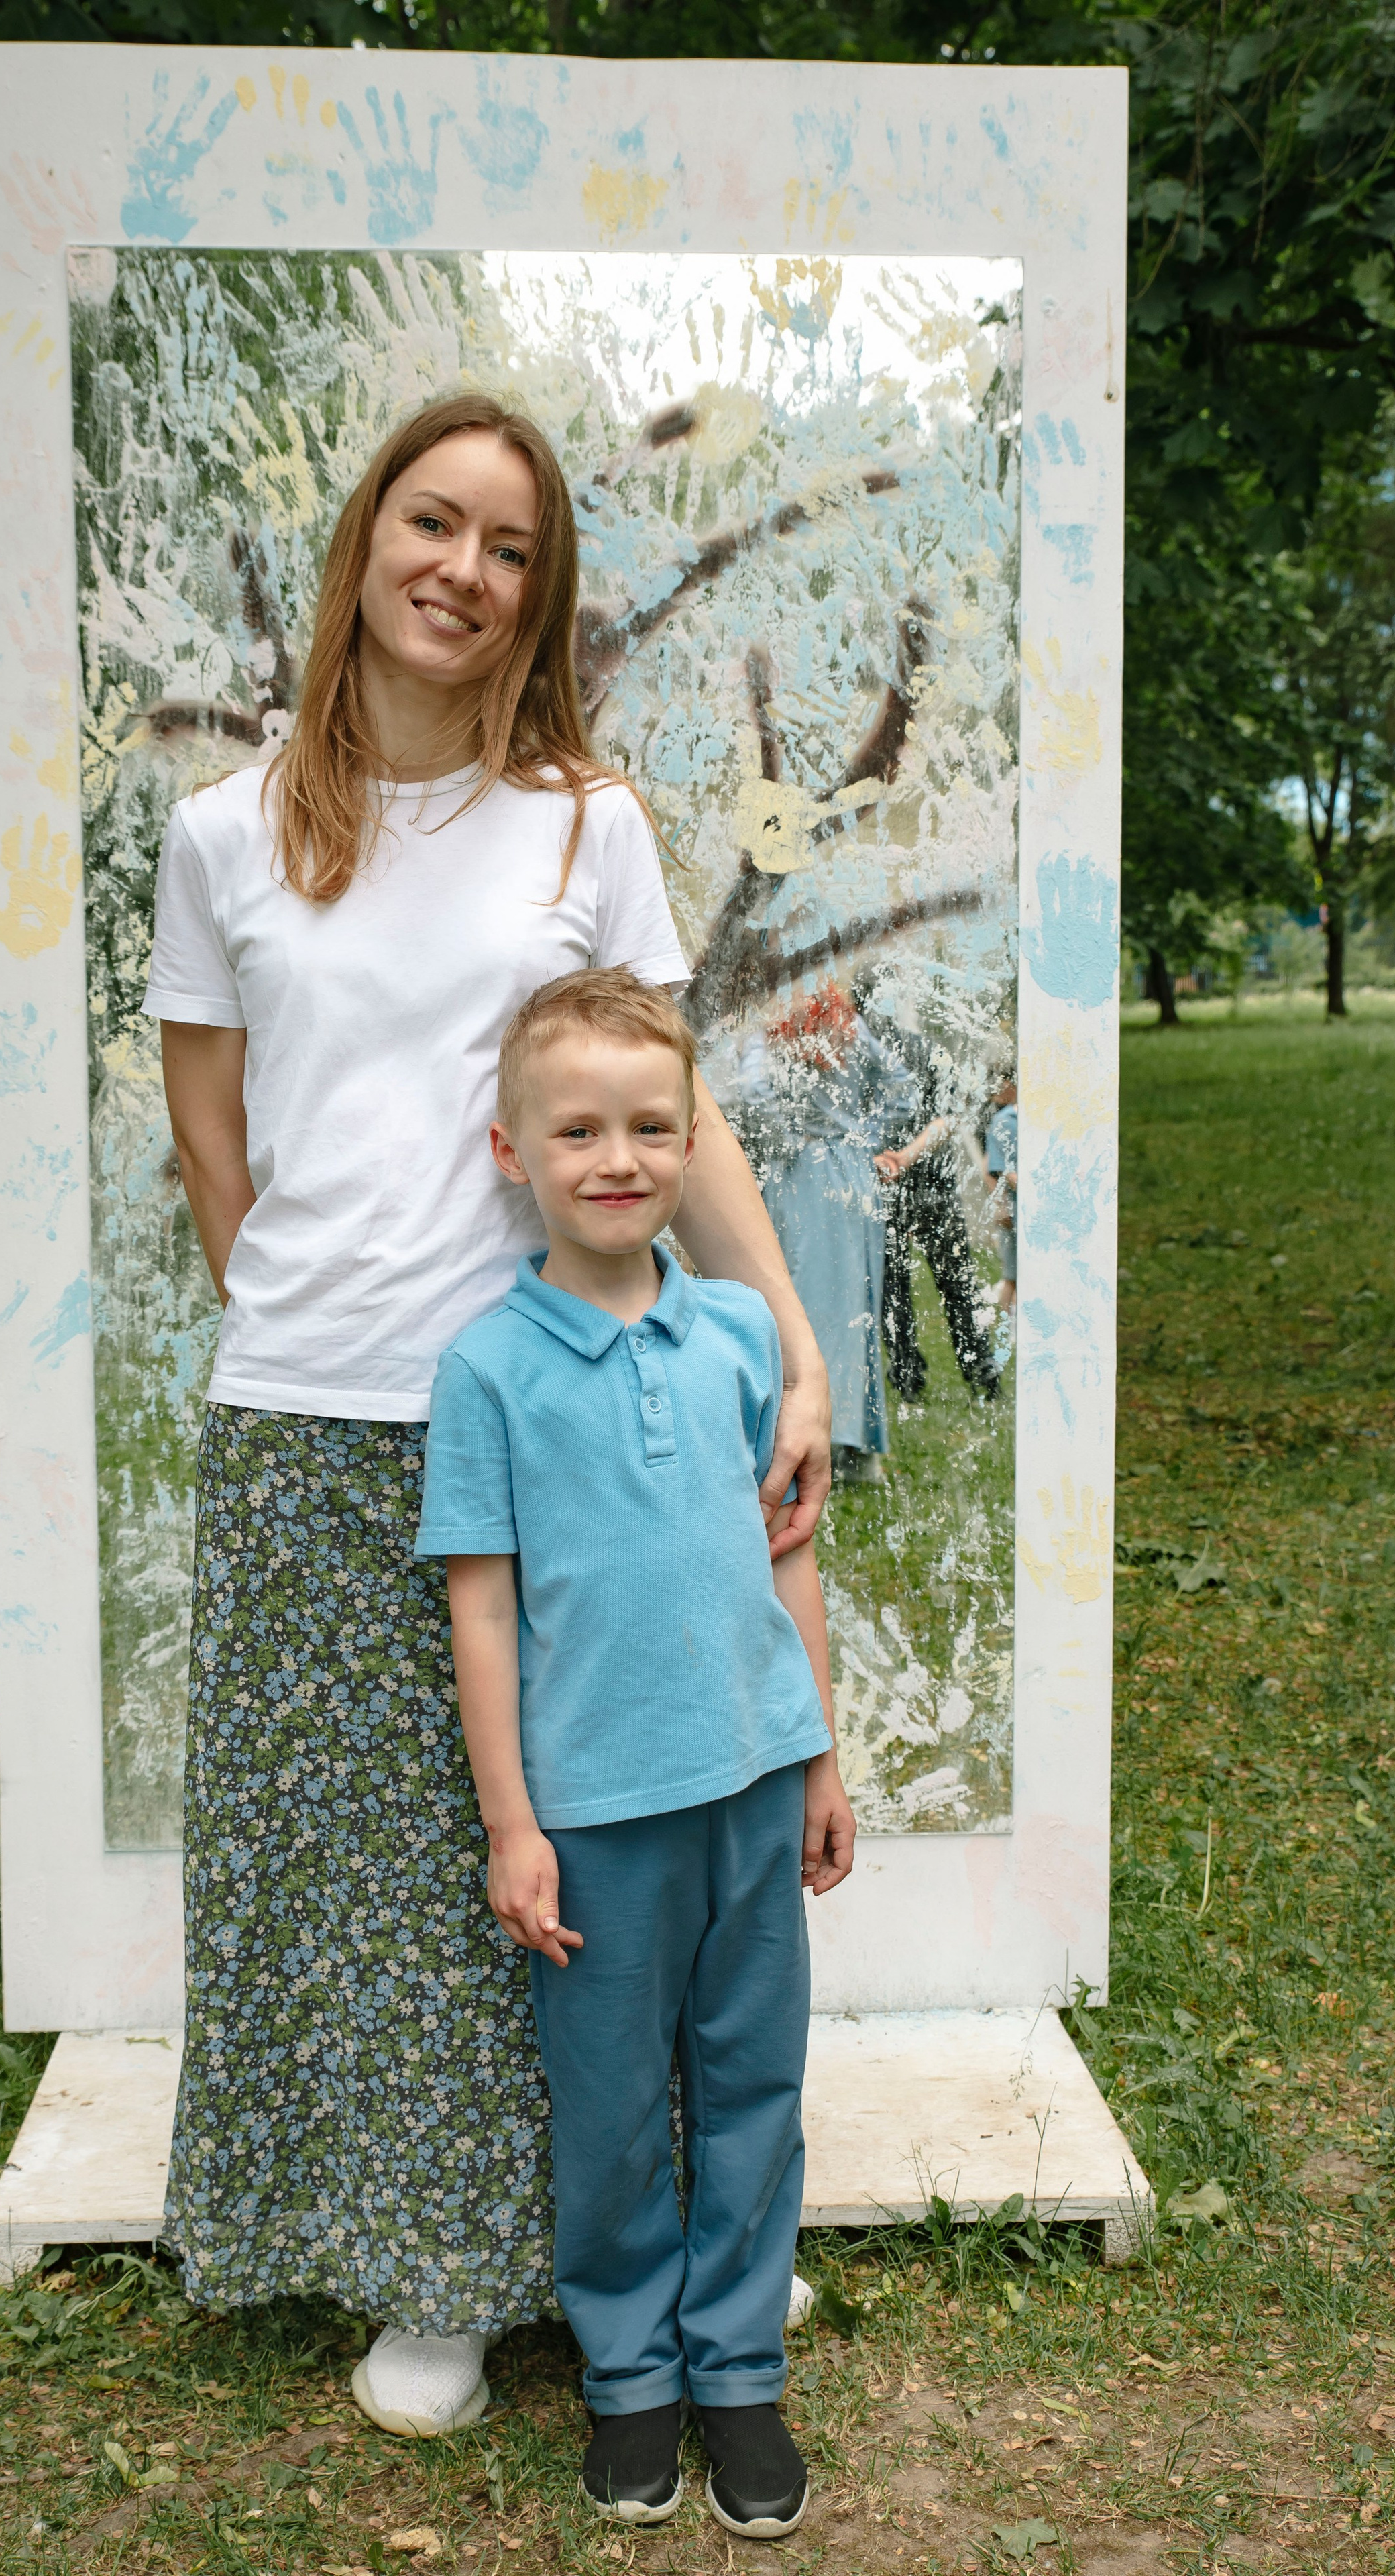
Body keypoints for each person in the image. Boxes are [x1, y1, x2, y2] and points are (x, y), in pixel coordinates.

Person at [145, 392, 833, 2440]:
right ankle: (431, 2259)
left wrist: (782, 1342)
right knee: (382, 1865)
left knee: (622, 1840)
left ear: (538, 600)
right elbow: (210, 1137)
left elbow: (667, 1102)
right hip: (317, 1417)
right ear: (366, 541)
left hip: (576, 1403)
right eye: (431, 522)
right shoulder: (221, 833)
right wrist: (315, 1324)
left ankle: (689, 2236)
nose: (461, 566)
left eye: (508, 545)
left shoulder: (582, 826)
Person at [417, 969, 855, 2538]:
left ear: (690, 1142)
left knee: (749, 2084)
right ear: (508, 1149)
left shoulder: (742, 1336)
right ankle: (631, 2379)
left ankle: (736, 2370)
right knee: (607, 2107)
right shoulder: (486, 1370)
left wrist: (815, 1757)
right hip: (594, 1819)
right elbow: (481, 1616)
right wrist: (508, 1824)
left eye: (650, 1124)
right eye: (578, 1127)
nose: (617, 1155)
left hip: (750, 1788)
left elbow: (786, 1558)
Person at [752, 981, 918, 1486]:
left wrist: (786, 1139)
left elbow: (750, 1090)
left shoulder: (772, 1022)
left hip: (802, 1170)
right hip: (850, 1173)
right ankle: (853, 1447)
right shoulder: (845, 1021)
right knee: (853, 1308)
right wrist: (861, 1136)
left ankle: (808, 1440)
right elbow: (902, 1088)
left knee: (801, 1302)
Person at [868, 1010, 1001, 1403]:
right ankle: (980, 1374)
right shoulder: (925, 1048)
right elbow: (950, 1116)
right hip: (927, 1185)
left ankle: (910, 1379)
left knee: (896, 1291)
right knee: (954, 1283)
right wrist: (906, 1157)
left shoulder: (865, 1053)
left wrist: (897, 1158)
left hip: (906, 1184)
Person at [983, 1070, 1019, 1318]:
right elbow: (991, 1170)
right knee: (1013, 1274)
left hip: (1016, 1202)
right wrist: (1000, 1205)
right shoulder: (1003, 1121)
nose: (995, 1091)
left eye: (1000, 1085)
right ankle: (1010, 1329)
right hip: (1012, 1206)